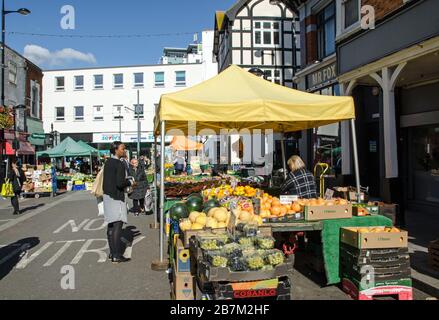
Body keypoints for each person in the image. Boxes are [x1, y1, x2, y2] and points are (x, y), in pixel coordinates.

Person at [103, 141, 135, 264]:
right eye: (122, 148)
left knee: (111, 225)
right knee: (117, 224)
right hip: (116, 197)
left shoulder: (108, 162)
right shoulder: (119, 163)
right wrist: (130, 182)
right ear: (115, 150)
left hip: (107, 196)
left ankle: (112, 253)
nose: (124, 150)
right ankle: (116, 254)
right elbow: (120, 183)